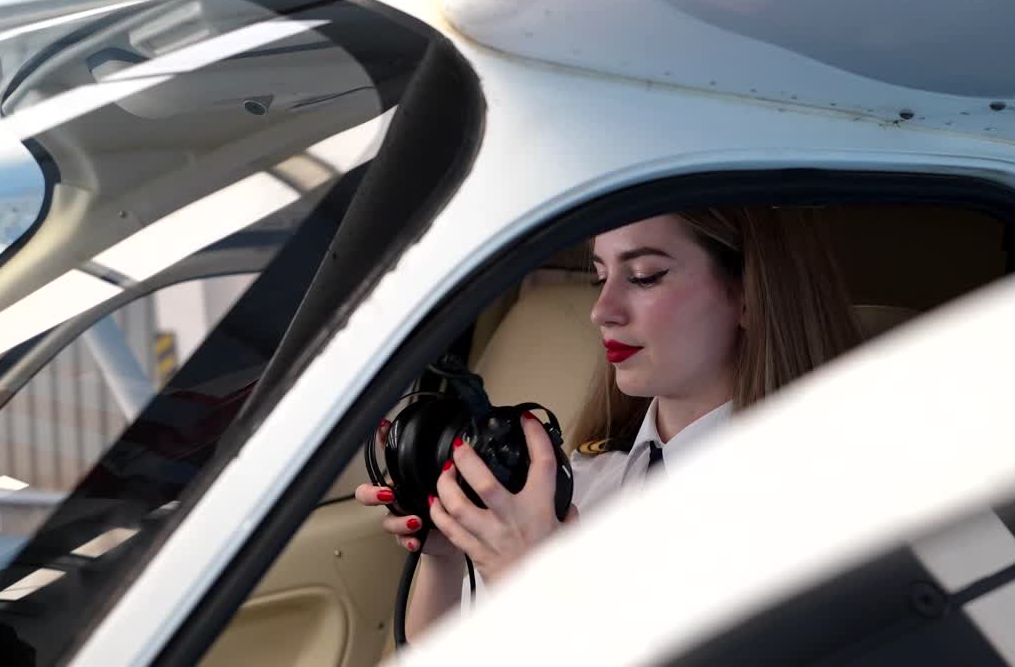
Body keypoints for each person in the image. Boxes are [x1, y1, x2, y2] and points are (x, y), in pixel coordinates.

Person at [354, 205, 862, 638]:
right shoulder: (580, 477)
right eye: (601, 276)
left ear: (749, 294)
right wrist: (447, 553)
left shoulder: (813, 508)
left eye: (643, 276)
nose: (602, 309)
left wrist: (535, 590)